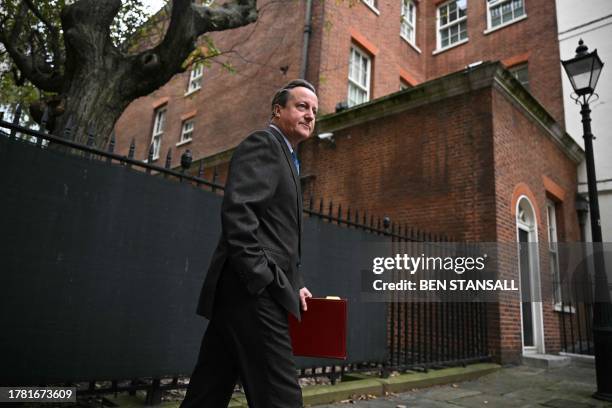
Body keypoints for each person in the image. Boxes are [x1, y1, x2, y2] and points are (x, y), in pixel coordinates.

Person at [180, 79, 318, 408]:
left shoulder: (289, 158)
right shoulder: (265, 143)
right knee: (281, 397)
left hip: (240, 292)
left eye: (314, 110)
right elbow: (239, 214)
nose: (310, 115)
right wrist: (262, 277)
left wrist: (295, 283)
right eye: (302, 106)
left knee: (207, 392)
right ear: (277, 109)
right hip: (252, 291)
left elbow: (278, 233)